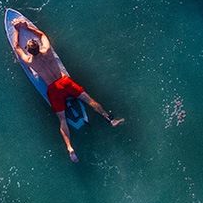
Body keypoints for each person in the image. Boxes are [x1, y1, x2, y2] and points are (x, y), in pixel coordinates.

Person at [12, 19, 124, 162]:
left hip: (53, 89)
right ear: (38, 47)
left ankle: (70, 149)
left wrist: (17, 29)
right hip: (65, 82)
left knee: (62, 119)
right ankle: (110, 119)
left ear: (29, 51)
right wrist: (28, 27)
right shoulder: (47, 51)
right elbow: (42, 35)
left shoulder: (29, 61)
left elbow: (16, 47)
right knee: (89, 100)